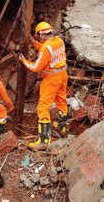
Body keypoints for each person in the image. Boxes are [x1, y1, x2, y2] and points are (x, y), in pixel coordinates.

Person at [18, 22, 68, 150]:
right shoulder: (59, 41)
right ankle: (62, 127)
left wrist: (24, 61)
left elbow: (36, 67)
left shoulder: (46, 47)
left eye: (39, 37)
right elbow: (47, 51)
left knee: (42, 108)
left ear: (41, 34)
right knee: (61, 100)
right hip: (62, 75)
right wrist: (34, 42)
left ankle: (44, 140)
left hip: (51, 79)